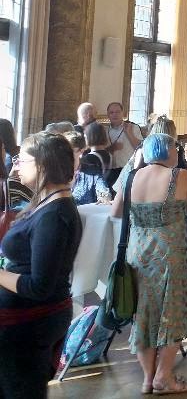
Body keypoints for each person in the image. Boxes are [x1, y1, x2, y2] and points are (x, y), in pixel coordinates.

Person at [113, 132, 187, 395]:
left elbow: (115, 212)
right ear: (168, 151)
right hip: (169, 254)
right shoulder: (180, 176)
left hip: (137, 253)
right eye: (175, 148)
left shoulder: (131, 176)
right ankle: (164, 377)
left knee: (142, 315)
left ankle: (147, 379)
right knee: (171, 313)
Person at [0, 133, 82, 399]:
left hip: (30, 323)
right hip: (25, 321)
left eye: (23, 160)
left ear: (43, 165)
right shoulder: (47, 203)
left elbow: (39, 286)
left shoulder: (54, 215)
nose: (16, 166)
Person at [103, 101, 144, 186]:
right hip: (109, 170)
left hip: (127, 169)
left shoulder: (133, 127)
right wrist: (111, 148)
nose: (115, 115)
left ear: (123, 113)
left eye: (118, 112)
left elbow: (141, 148)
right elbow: (100, 151)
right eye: (111, 112)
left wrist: (130, 134)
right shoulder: (104, 130)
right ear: (108, 115)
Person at [65, 130, 111, 205]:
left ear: (81, 151)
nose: (64, 154)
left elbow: (103, 192)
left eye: (70, 151)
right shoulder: (56, 172)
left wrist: (104, 198)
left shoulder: (93, 173)